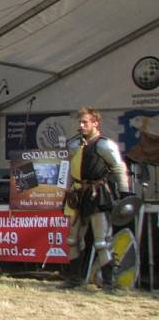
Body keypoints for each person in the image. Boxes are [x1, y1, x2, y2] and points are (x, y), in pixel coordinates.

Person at [59, 107, 130, 291]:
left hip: (97, 195)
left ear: (95, 123)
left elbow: (119, 168)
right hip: (77, 194)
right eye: (80, 122)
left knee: (101, 241)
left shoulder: (104, 145)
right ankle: (75, 278)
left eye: (85, 122)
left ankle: (108, 282)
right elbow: (69, 169)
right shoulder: (74, 145)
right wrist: (66, 191)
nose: (81, 126)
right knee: (72, 240)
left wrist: (125, 194)